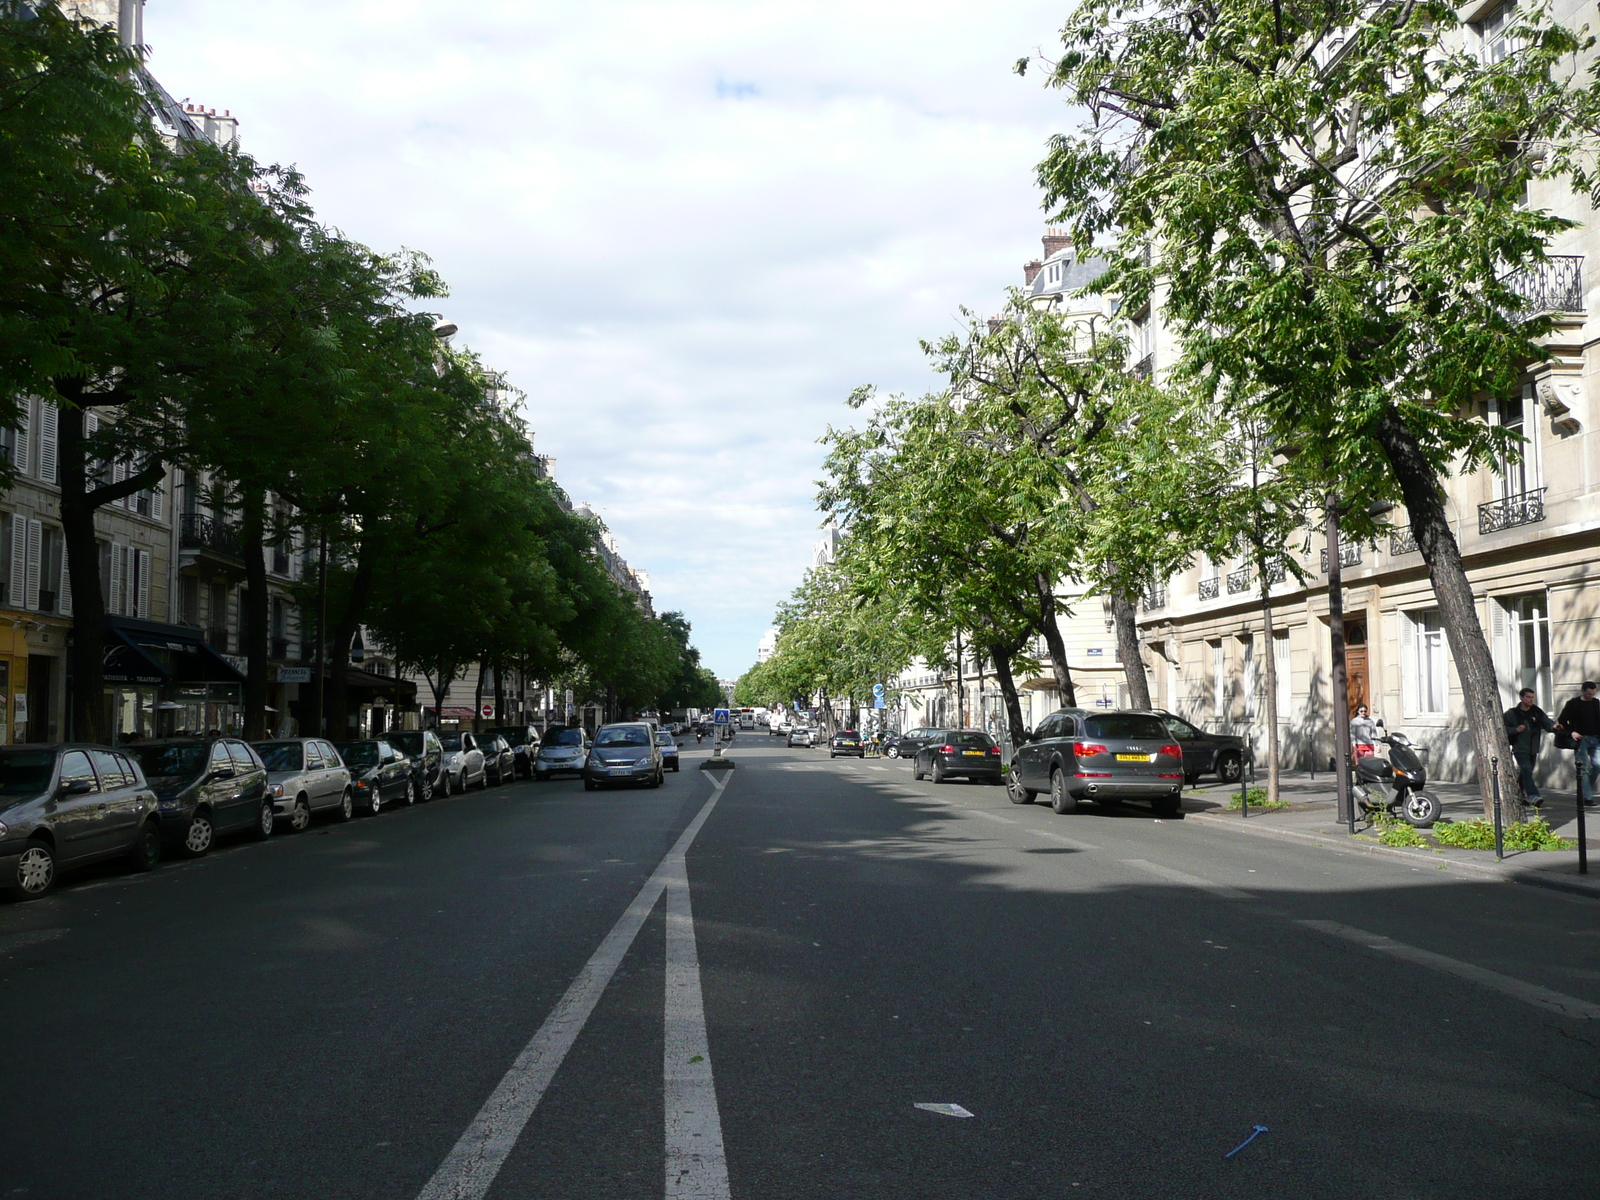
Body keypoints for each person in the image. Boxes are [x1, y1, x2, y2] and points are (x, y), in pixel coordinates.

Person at [1503, 688, 1555, 807]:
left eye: (1532, 697)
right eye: (1528, 697)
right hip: (1520, 747)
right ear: (1521, 698)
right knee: (1526, 769)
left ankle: (1518, 795)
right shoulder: (1512, 713)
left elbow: (1546, 722)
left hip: (1533, 747)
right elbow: (1503, 728)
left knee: (1526, 773)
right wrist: (1515, 730)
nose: (1531, 699)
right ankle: (1534, 796)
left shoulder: (1536, 711)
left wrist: (1554, 727)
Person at [1556, 681, 1600, 806]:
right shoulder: (1573, 704)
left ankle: (1585, 789)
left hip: (1596, 739)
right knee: (1583, 768)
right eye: (1588, 694)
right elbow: (1562, 720)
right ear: (1582, 691)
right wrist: (1572, 732)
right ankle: (1587, 797)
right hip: (1581, 740)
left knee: (1598, 765)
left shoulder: (1596, 703)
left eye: (1593, 694)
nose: (1591, 696)